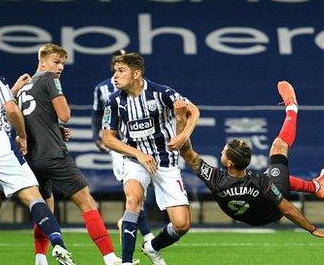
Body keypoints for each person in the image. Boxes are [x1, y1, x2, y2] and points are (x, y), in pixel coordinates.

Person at [0, 49, 76, 265]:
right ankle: (59, 245)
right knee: (33, 197)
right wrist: (21, 136)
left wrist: (14, 89)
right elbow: (10, 110)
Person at [172, 81, 324, 239]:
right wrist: (313, 230)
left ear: (229, 163)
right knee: (278, 146)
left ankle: (315, 186)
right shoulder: (261, 182)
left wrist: (180, 120)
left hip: (251, 217)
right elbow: (288, 210)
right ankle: (292, 109)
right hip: (271, 213)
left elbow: (186, 152)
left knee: (275, 169)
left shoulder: (215, 179)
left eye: (224, 152)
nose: (221, 151)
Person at [12, 44, 120, 265]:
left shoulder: (23, 87)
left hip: (32, 158)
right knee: (88, 204)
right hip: (53, 154)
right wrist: (58, 122)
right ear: (42, 61)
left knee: (45, 210)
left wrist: (52, 127)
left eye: (62, 63)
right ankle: (110, 258)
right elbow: (65, 114)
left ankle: (40, 258)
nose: (60, 67)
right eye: (56, 61)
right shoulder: (50, 79)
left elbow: (25, 119)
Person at [101, 53, 200, 265]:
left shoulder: (161, 93)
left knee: (182, 225)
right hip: (136, 161)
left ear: (136, 74)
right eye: (115, 71)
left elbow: (193, 111)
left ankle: (152, 247)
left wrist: (183, 135)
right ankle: (127, 262)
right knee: (133, 199)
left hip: (166, 162)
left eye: (121, 71)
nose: (115, 77)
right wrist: (137, 153)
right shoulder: (114, 101)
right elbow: (107, 138)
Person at [91, 49, 154, 246]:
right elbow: (97, 114)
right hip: (118, 144)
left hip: (141, 142)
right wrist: (98, 137)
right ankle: (147, 235)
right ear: (113, 65)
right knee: (132, 189)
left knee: (140, 190)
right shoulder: (102, 89)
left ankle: (134, 225)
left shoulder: (140, 86)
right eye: (117, 65)